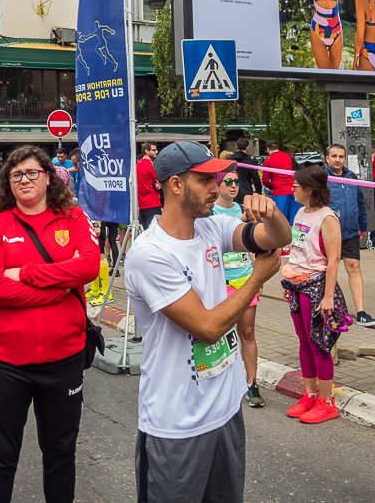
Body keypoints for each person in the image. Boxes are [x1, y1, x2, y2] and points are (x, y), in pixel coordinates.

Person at [125, 141, 290, 502]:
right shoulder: (150, 254)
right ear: (175, 185)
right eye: (205, 179)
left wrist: (272, 213)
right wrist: (257, 277)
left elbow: (278, 238)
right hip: (177, 423)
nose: (217, 186)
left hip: (226, 409)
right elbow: (208, 327)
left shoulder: (212, 227)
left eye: (216, 177)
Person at [0, 148, 97, 503]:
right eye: (16, 175)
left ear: (48, 177)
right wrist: (60, 288)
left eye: (31, 173)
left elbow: (89, 266)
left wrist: (25, 275)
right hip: (4, 363)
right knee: (0, 459)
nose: (24, 180)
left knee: (60, 455)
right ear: (8, 185)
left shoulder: (74, 218)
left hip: (64, 360)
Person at [283, 165, 350, 423]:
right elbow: (296, 249)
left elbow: (333, 260)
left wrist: (329, 297)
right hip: (297, 285)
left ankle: (327, 401)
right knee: (303, 342)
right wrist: (287, 280)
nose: (292, 189)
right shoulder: (300, 212)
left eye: (296, 185)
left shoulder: (328, 218)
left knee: (319, 345)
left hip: (318, 288)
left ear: (310, 189)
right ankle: (310, 395)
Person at [212, 170, 264, 408]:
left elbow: (254, 244)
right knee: (220, 336)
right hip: (220, 281)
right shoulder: (210, 212)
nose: (233, 186)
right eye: (228, 182)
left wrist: (257, 275)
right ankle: (221, 384)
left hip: (244, 278)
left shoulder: (244, 210)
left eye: (236, 182)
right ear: (217, 185)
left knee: (248, 333)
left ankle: (252, 384)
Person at [324, 144, 375, 327]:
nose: (337, 159)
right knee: (328, 269)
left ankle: (361, 312)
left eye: (341, 156)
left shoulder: (351, 177)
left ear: (345, 159)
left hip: (351, 231)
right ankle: (327, 308)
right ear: (327, 158)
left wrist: (363, 225)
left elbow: (360, 203)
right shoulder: (321, 178)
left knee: (354, 266)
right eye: (334, 156)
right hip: (329, 234)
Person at [262, 140, 298, 223]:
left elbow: (265, 181)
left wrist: (273, 186)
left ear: (268, 149)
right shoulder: (288, 157)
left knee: (280, 222)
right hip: (292, 192)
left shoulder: (268, 161)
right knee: (294, 220)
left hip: (279, 193)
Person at [138, 142, 163, 229]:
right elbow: (161, 183)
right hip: (152, 202)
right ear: (146, 151)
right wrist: (157, 184)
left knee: (145, 229)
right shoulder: (151, 165)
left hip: (141, 203)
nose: (157, 152)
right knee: (155, 230)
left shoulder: (137, 165)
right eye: (154, 150)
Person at [229, 138, 261, 205]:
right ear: (247, 148)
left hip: (231, 191)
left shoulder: (228, 161)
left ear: (236, 147)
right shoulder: (251, 162)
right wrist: (258, 194)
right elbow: (256, 180)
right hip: (246, 193)